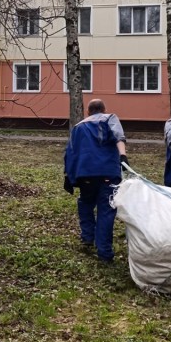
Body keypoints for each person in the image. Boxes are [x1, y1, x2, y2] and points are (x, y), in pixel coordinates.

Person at [63, 99, 128, 263]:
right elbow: (118, 136)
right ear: (104, 109)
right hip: (108, 172)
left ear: (88, 111)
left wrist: (68, 176)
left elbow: (70, 152)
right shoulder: (109, 118)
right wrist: (122, 156)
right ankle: (104, 253)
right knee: (106, 211)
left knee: (85, 203)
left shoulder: (78, 127)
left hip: (85, 174)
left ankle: (87, 237)